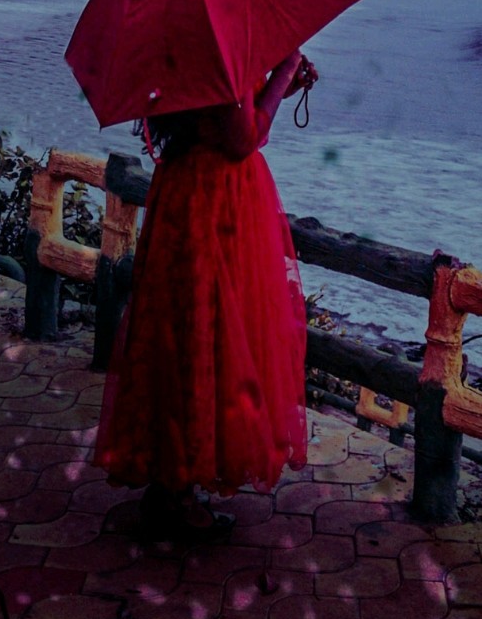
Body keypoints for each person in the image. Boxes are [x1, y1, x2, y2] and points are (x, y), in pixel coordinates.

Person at [93, 46, 317, 538]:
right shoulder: (220, 48)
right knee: (207, 336)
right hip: (216, 204)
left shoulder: (182, 43)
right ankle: (178, 491)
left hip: (184, 192)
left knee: (180, 332)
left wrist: (280, 85)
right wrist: (282, 74)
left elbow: (219, 116)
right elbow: (241, 137)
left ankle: (169, 480)